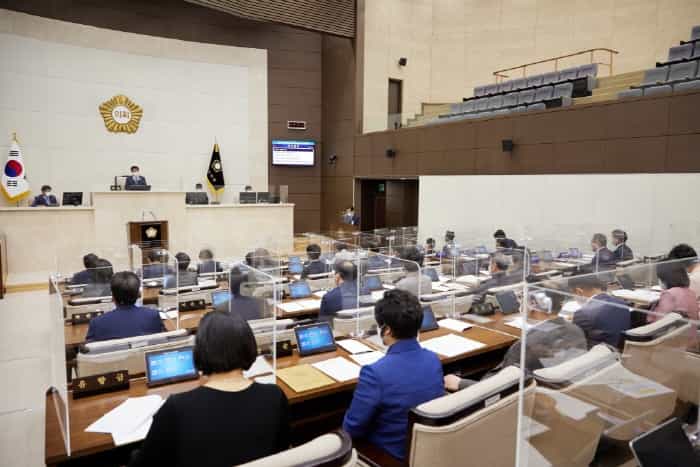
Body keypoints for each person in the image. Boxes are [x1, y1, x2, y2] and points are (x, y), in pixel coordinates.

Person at [129, 311, 289, 467]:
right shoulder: (274, 395)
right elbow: (282, 451)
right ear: (249, 346)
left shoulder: (177, 407)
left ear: (200, 351)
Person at [342, 289, 443, 461]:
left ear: (386, 330)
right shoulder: (433, 359)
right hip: (426, 452)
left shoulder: (374, 373)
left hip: (388, 455)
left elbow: (352, 429)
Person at [444, 316, 587, 391]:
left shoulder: (529, 344)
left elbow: (506, 388)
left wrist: (461, 383)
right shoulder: (575, 331)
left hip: (506, 398)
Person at [86, 271, 164, 342]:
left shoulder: (97, 323)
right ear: (138, 295)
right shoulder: (153, 316)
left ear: (113, 296)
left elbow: (88, 352)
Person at [570, 275, 630, 348]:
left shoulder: (582, 314)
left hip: (598, 355)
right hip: (619, 349)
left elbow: (574, 341)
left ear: (578, 291)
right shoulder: (621, 302)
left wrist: (572, 320)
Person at [649, 261, 699, 349]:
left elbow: (658, 325)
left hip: (675, 344)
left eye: (659, 278)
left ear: (665, 279)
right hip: (691, 339)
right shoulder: (690, 292)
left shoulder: (669, 294)